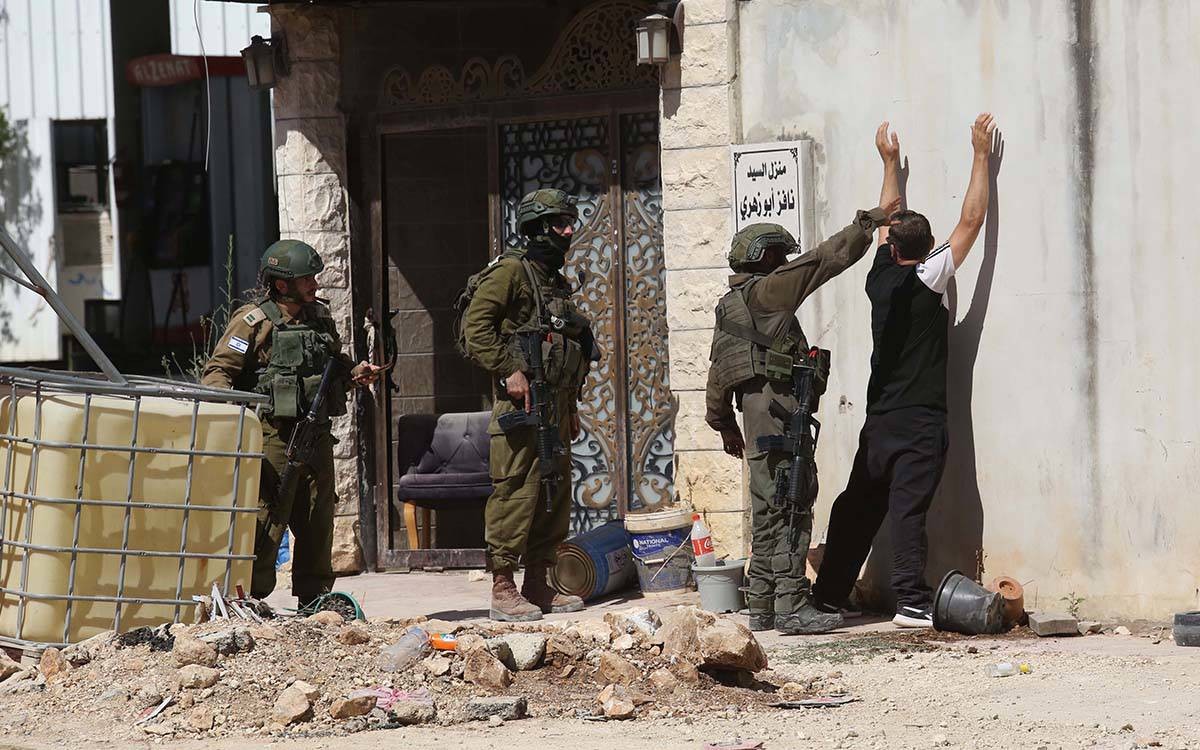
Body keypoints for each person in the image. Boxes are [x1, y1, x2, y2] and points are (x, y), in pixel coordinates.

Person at [813, 114, 997, 628]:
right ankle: (911, 601)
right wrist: (980, 156)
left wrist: (889, 163)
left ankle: (828, 595)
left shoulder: (879, 277)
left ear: (891, 250)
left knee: (858, 506)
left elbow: (885, 219)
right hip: (919, 422)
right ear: (926, 249)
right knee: (908, 510)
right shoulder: (927, 278)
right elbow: (971, 222)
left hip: (880, 421)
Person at [705, 195, 899, 635]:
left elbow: (717, 374)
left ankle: (762, 603)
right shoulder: (768, 292)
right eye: (779, 256)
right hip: (779, 415)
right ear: (766, 258)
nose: (785, 264)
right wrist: (868, 222)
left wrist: (724, 425)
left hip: (755, 420)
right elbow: (821, 261)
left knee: (767, 510)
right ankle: (792, 604)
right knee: (792, 502)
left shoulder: (730, 304)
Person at [201, 239, 381, 608]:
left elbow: (334, 365)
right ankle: (248, 597)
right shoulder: (254, 322)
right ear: (282, 284)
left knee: (318, 515)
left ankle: (314, 599)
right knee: (268, 515)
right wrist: (234, 419)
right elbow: (218, 373)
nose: (314, 284)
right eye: (306, 279)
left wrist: (355, 373)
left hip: (317, 434)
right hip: (273, 436)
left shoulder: (320, 318)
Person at [461, 188, 596, 622]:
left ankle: (538, 582)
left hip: (555, 405)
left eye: (570, 222)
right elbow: (475, 329)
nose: (569, 231)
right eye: (559, 223)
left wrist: (571, 406)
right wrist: (509, 370)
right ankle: (503, 588)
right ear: (537, 228)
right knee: (516, 493)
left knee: (553, 495)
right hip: (521, 407)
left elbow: (567, 346)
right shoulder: (511, 272)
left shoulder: (552, 280)